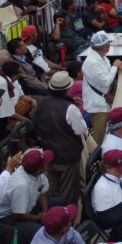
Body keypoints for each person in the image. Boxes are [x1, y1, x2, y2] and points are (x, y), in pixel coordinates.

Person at [32, 70, 87, 206]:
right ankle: (67, 218)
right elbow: (80, 129)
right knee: (69, 191)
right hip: (67, 156)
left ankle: (53, 214)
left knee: (52, 189)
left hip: (49, 153)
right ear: (67, 88)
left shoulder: (43, 103)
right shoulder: (70, 108)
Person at [0, 148, 56, 244]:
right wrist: (39, 217)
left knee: (60, 204)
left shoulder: (34, 171)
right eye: (44, 165)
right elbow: (18, 215)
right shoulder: (21, 185)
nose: (47, 167)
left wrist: (45, 212)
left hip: (27, 206)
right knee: (39, 232)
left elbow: (42, 191)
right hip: (6, 218)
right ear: (38, 170)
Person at [80, 30, 122, 144]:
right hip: (98, 105)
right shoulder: (92, 61)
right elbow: (106, 81)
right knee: (99, 138)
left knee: (105, 134)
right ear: (106, 45)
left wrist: (117, 65)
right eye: (108, 43)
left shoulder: (101, 57)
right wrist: (116, 65)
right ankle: (98, 159)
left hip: (102, 101)